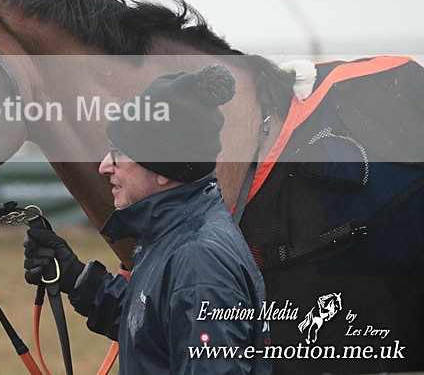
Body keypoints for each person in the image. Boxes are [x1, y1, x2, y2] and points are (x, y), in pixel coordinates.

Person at [23, 64, 271, 373]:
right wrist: (77, 278)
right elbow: (154, 331)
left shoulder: (198, 263)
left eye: (119, 152)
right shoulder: (176, 233)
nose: (104, 166)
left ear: (163, 169)